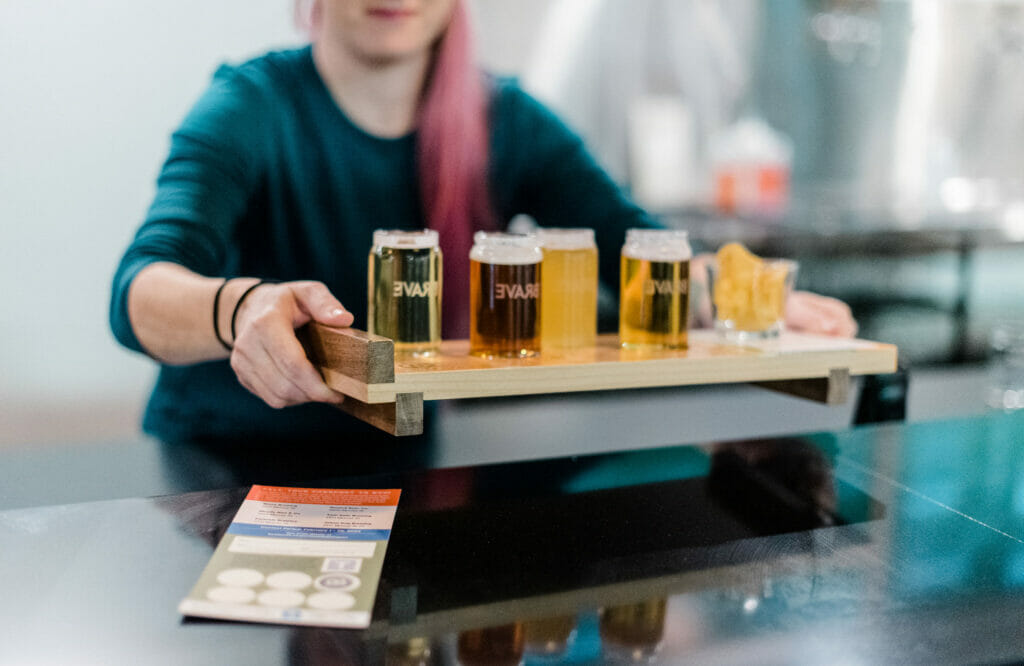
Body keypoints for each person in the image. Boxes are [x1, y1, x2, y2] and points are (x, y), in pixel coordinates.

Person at [110, 0, 855, 450]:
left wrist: (740, 296)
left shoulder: (508, 120)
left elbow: (631, 239)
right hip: (223, 468)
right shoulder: (249, 106)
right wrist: (244, 307)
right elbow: (140, 289)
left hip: (403, 462)